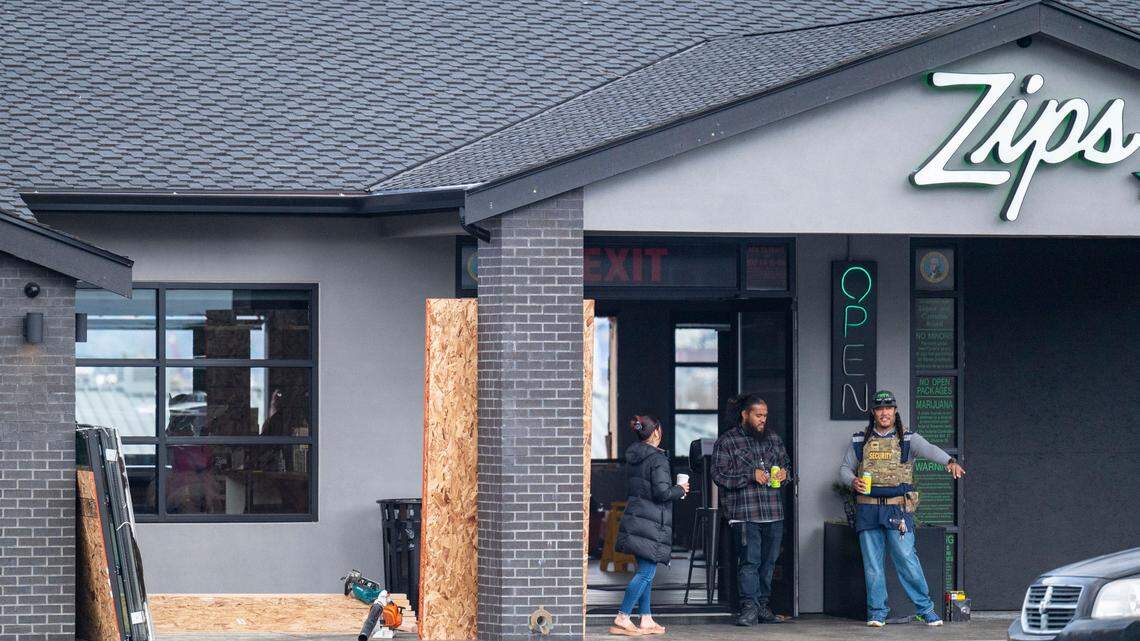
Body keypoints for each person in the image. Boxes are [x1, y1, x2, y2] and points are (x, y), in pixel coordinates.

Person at [838, 390, 966, 627]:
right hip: (868, 510)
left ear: (895, 411)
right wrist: (852, 481)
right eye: (879, 408)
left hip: (898, 510)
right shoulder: (859, 440)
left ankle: (925, 609)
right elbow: (845, 468)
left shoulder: (908, 439)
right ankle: (877, 612)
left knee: (906, 559)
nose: (884, 412)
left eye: (889, 408)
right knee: (872, 565)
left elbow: (930, 449)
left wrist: (950, 462)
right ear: (873, 413)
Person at [711, 393, 791, 626]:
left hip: (774, 512)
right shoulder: (727, 441)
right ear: (744, 414)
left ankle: (763, 606)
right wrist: (749, 475)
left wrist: (784, 475)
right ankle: (748, 608)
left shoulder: (773, 439)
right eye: (758, 415)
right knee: (749, 563)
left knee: (769, 563)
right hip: (744, 514)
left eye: (765, 415)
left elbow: (786, 466)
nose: (762, 420)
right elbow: (718, 474)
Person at [612, 415, 689, 636]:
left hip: (637, 518)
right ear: (656, 432)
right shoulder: (657, 459)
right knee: (647, 572)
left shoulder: (635, 456)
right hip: (650, 521)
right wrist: (681, 489)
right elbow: (662, 493)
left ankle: (646, 618)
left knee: (646, 571)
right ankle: (623, 617)